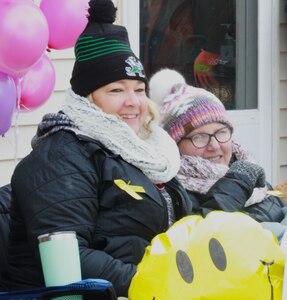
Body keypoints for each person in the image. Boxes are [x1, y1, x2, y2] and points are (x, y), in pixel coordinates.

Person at [0, 1, 192, 297]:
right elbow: (71, 258)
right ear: (86, 99)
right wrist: (159, 282)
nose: (133, 102)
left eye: (138, 89)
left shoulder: (141, 148)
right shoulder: (61, 156)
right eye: (116, 90)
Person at [149, 68, 287, 229]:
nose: (214, 146)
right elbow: (196, 240)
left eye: (221, 133)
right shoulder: (173, 196)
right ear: (175, 145)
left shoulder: (247, 168)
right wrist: (237, 184)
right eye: (199, 137)